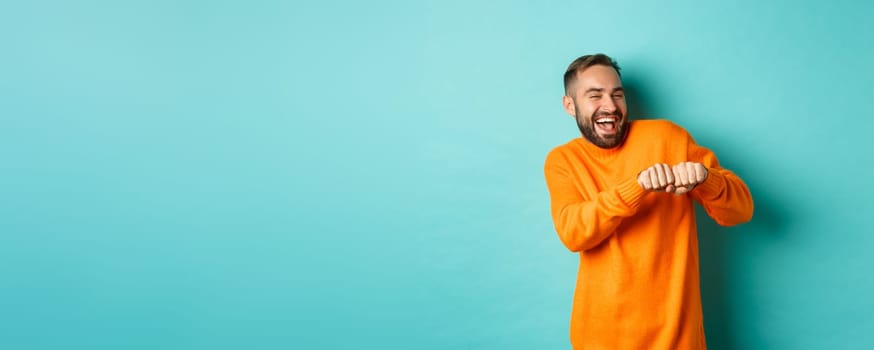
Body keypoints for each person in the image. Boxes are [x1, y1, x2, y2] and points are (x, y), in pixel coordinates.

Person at [543, 53, 754, 349]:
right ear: (570, 105)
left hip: (677, 338)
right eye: (595, 95)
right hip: (600, 339)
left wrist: (708, 179)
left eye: (617, 94)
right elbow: (573, 232)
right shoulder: (563, 161)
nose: (611, 106)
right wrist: (637, 185)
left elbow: (741, 211)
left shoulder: (668, 139)